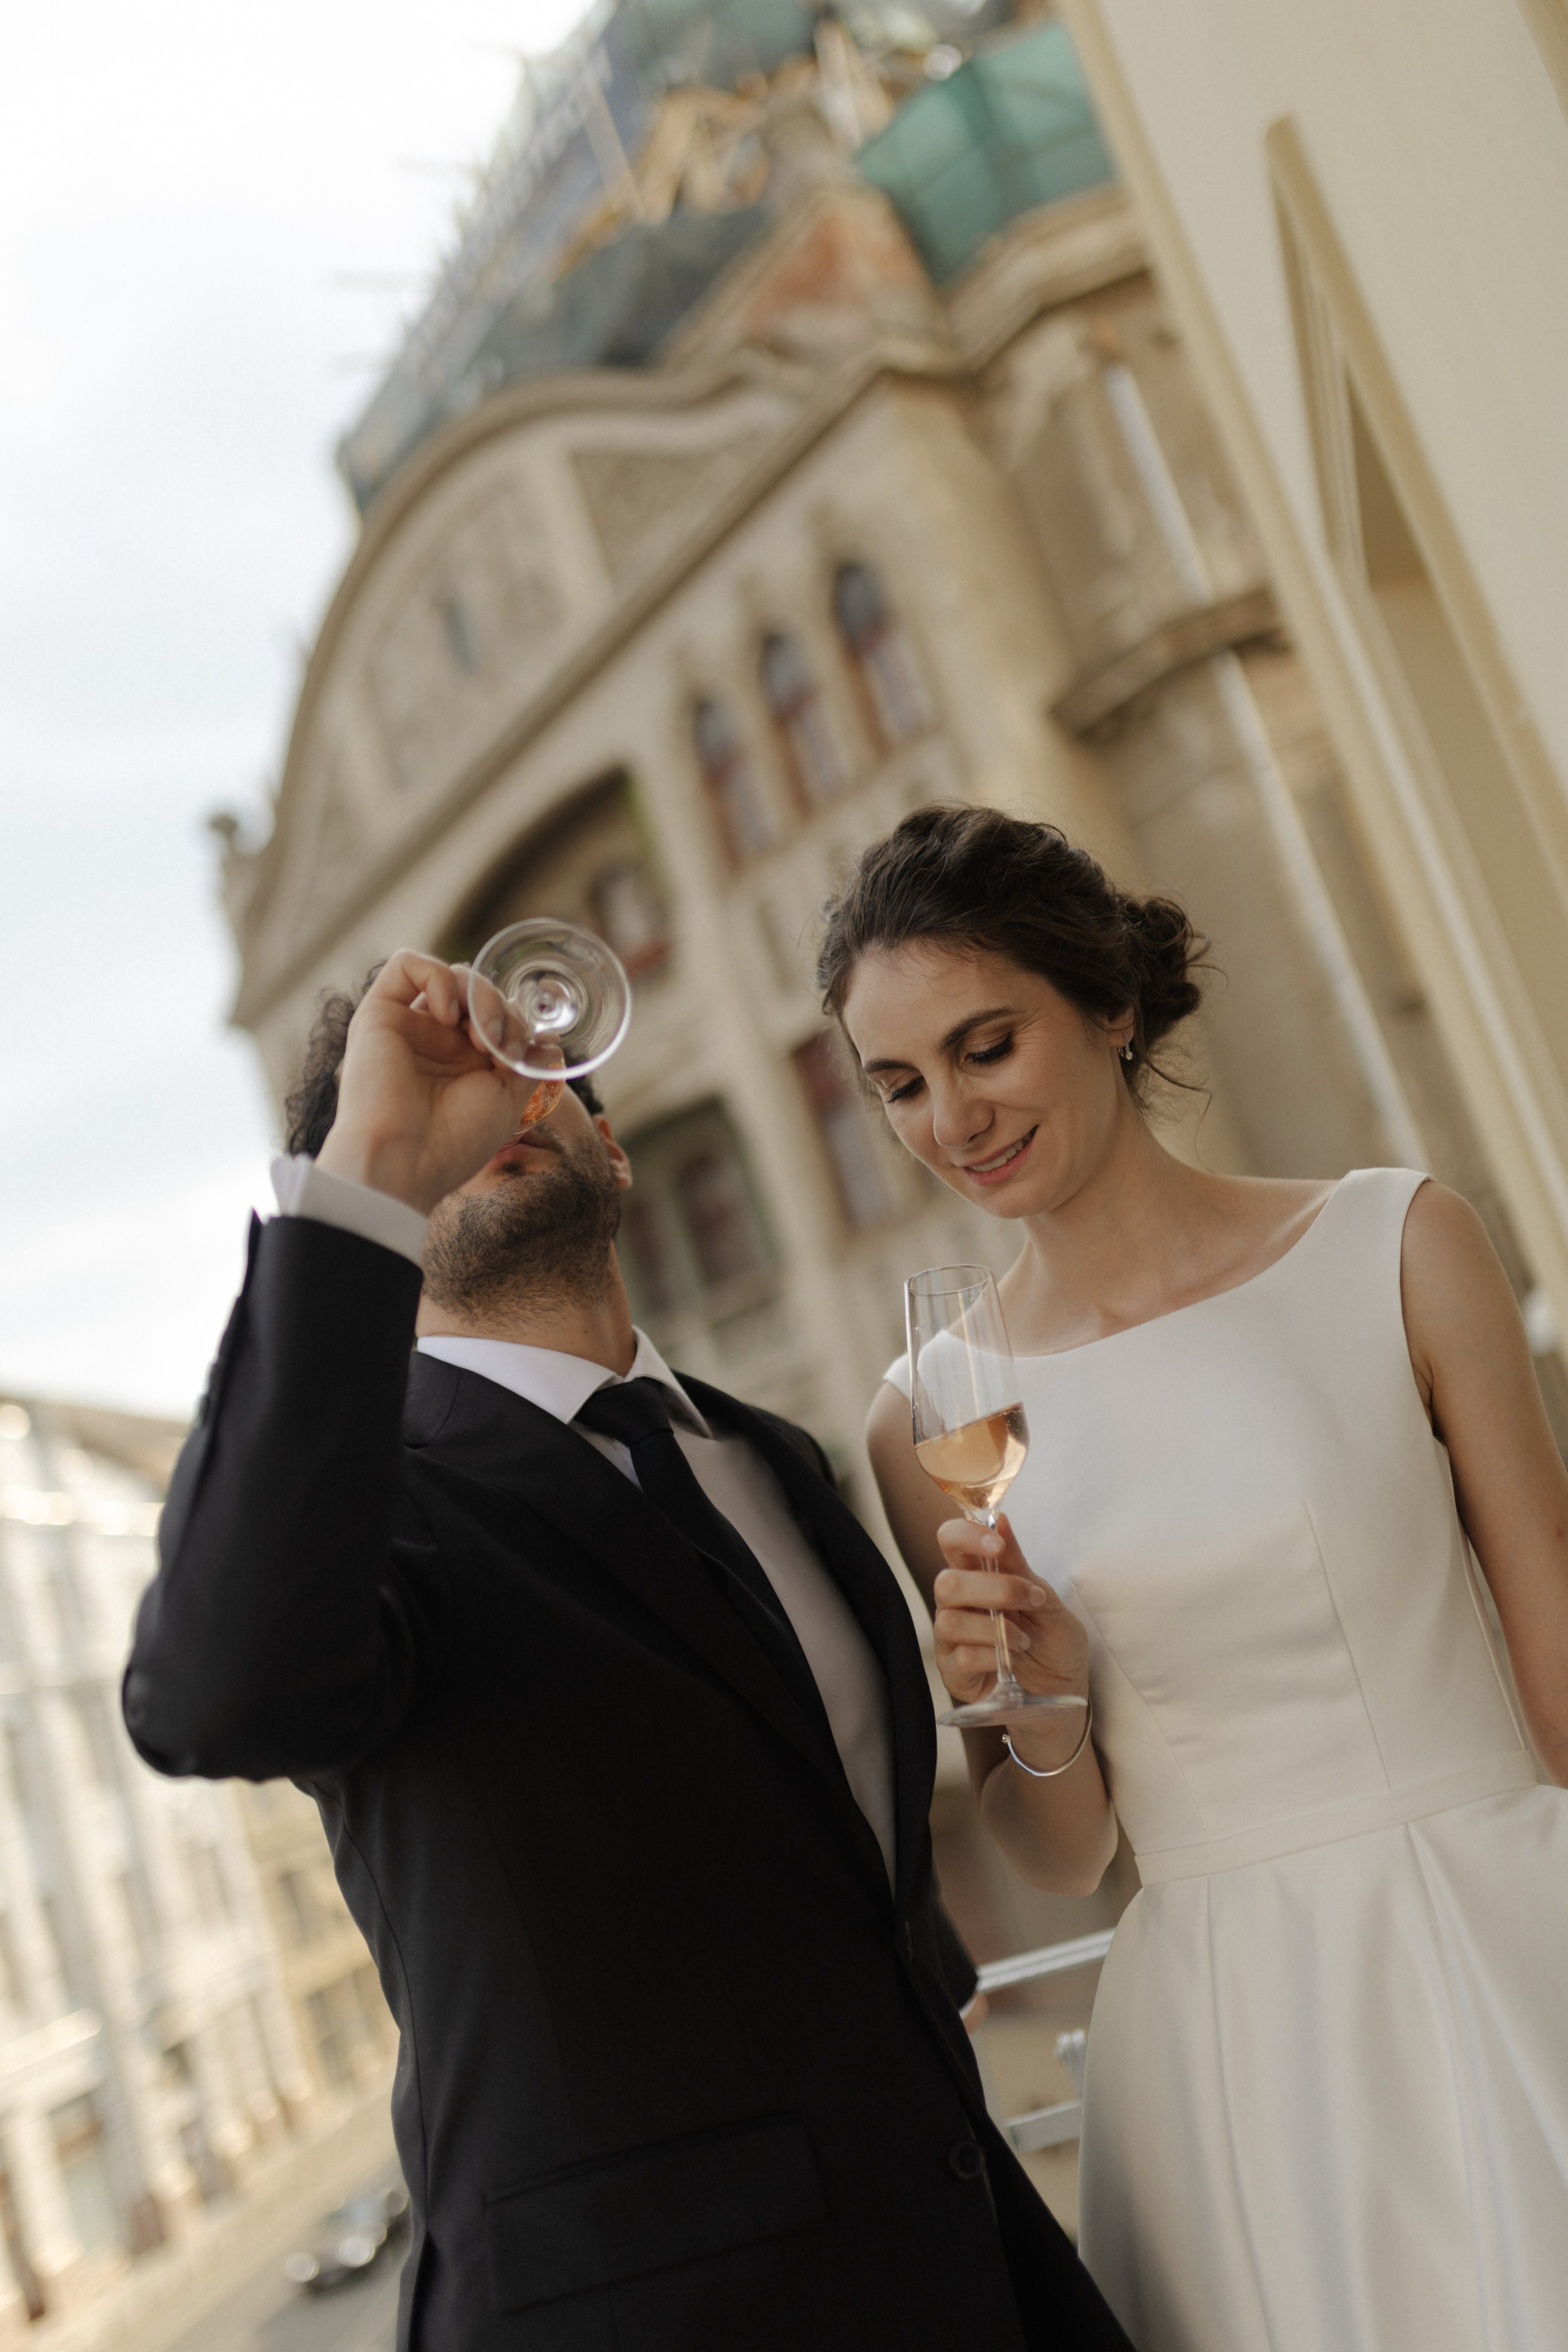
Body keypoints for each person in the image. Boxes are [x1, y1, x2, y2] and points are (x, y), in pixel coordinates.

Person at [123, 949, 1133, 2352]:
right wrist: (373, 1155)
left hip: (964, 2282)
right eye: (426, 1123)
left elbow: (850, 1892)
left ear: (610, 1147)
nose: (495, 1111)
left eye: (535, 1086)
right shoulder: (361, 1519)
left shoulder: (773, 1461)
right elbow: (209, 1700)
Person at [821, 804, 1568, 2352]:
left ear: (1107, 1005)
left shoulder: (1397, 1243)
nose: (949, 1120)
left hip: (1510, 1919)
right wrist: (1039, 1696)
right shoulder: (930, 1417)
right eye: (898, 1084)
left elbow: (1552, 1632)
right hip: (1233, 2030)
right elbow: (1060, 1851)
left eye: (983, 1047)